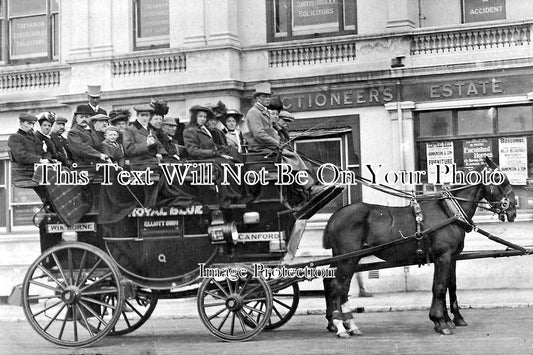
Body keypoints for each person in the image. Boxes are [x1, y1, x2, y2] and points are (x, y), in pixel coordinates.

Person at [241, 82, 323, 200]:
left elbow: (271, 131)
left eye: (269, 96)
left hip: (268, 147)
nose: (268, 99)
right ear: (257, 98)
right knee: (292, 157)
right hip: (261, 149)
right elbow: (259, 134)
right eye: (264, 96)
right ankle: (309, 188)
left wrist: (278, 139)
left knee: (293, 156)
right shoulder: (254, 112)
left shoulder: (264, 111)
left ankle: (307, 188)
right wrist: (276, 143)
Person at [183, 105, 243, 205]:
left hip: (208, 159)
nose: (203, 119)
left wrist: (225, 150)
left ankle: (238, 194)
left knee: (235, 160)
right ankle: (227, 197)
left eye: (205, 117)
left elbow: (212, 146)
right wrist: (215, 153)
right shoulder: (190, 131)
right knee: (226, 165)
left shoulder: (203, 129)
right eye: (200, 116)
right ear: (195, 117)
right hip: (198, 163)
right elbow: (193, 151)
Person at [8, 113, 50, 201]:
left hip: (38, 170)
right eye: (29, 123)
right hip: (26, 172)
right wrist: (39, 160)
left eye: (33, 124)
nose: (31, 126)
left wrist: (48, 159)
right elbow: (21, 156)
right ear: (21, 123)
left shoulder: (35, 137)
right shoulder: (15, 138)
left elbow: (43, 152)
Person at [122, 104, 166, 170]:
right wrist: (146, 144)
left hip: (153, 161)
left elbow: (159, 145)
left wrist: (161, 153)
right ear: (137, 116)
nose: (145, 118)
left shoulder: (151, 129)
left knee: (174, 166)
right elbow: (129, 149)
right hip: (139, 163)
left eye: (147, 115)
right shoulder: (130, 129)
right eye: (142, 115)